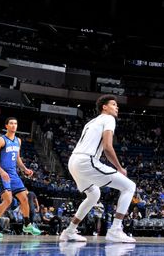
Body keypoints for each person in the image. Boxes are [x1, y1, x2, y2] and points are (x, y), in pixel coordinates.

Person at [59, 95, 136, 243]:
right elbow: (107, 147)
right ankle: (115, 229)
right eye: (113, 104)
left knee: (94, 194)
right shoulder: (109, 119)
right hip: (86, 161)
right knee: (129, 186)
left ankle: (69, 231)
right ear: (104, 107)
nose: (117, 107)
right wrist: (119, 168)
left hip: (73, 161)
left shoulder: (91, 122)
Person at [0, 117, 41, 237]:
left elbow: (18, 158)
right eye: (11, 123)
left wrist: (24, 169)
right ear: (6, 126)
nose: (14, 125)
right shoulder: (1, 140)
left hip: (13, 174)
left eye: (15, 123)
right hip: (2, 173)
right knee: (8, 200)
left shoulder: (18, 140)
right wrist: (1, 171)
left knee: (25, 198)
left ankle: (27, 225)